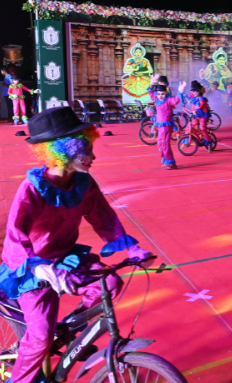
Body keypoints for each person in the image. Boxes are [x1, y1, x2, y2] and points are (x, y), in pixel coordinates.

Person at [0, 107, 153, 383]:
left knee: (108, 283)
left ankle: (69, 331)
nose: (93, 158)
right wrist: (39, 268)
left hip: (67, 259)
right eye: (87, 150)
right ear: (64, 151)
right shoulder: (33, 188)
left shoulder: (83, 183)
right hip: (32, 269)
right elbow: (15, 236)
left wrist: (132, 249)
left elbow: (104, 218)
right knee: (40, 337)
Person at [148, 77, 186, 169]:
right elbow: (151, 93)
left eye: (162, 94)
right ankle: (166, 160)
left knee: (165, 143)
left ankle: (171, 163)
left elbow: (176, 100)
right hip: (160, 126)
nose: (160, 96)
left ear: (165, 93)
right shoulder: (157, 100)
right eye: (158, 94)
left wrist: (180, 91)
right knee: (160, 143)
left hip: (166, 126)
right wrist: (152, 83)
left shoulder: (169, 101)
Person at [180, 80, 214, 153]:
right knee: (189, 127)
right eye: (192, 91)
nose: (193, 93)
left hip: (203, 116)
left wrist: (196, 111)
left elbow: (199, 107)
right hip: (196, 116)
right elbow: (186, 96)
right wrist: (181, 91)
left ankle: (209, 145)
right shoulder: (194, 97)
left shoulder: (202, 100)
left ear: (199, 91)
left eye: (194, 91)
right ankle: (186, 142)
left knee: (203, 129)